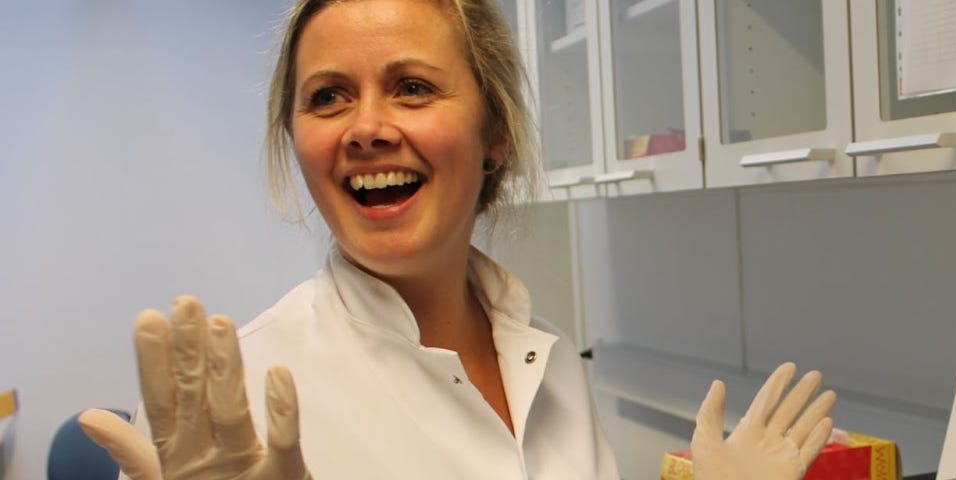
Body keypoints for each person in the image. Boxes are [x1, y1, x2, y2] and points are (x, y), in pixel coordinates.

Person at [73, 0, 838, 478]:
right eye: (328, 97)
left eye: (412, 86)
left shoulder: (550, 361)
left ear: (494, 133)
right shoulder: (226, 408)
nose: (367, 128)